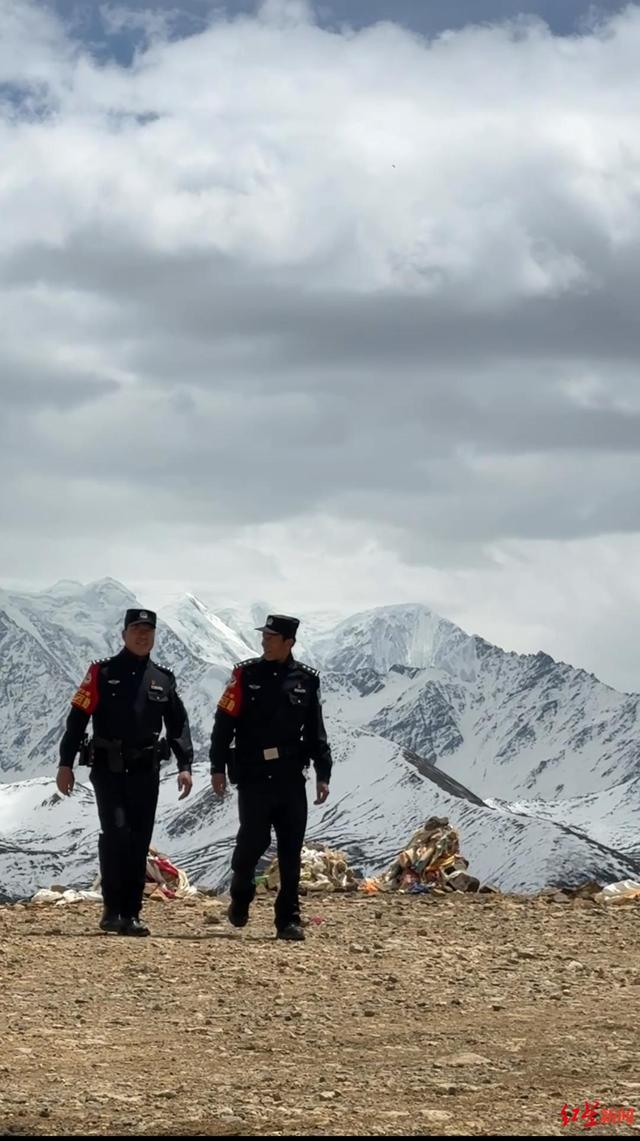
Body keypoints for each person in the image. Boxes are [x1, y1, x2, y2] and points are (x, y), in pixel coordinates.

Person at [56, 608, 194, 936]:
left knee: (139, 840)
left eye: (148, 631)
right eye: (136, 630)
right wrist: (66, 763)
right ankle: (111, 909)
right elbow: (77, 719)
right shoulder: (102, 673)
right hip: (109, 769)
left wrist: (185, 765)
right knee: (117, 835)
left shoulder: (163, 678)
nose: (142, 636)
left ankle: (130, 914)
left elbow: (178, 724)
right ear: (124, 634)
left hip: (146, 772)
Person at [209, 613, 332, 941]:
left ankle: (288, 920)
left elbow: (315, 729)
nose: (265, 641)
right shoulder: (245, 675)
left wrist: (323, 772)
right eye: (264, 635)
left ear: (288, 642)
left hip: (291, 777)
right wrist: (217, 766)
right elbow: (223, 724)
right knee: (252, 842)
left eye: (272, 637)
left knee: (291, 849)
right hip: (254, 776)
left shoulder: (306, 680)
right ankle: (241, 890)